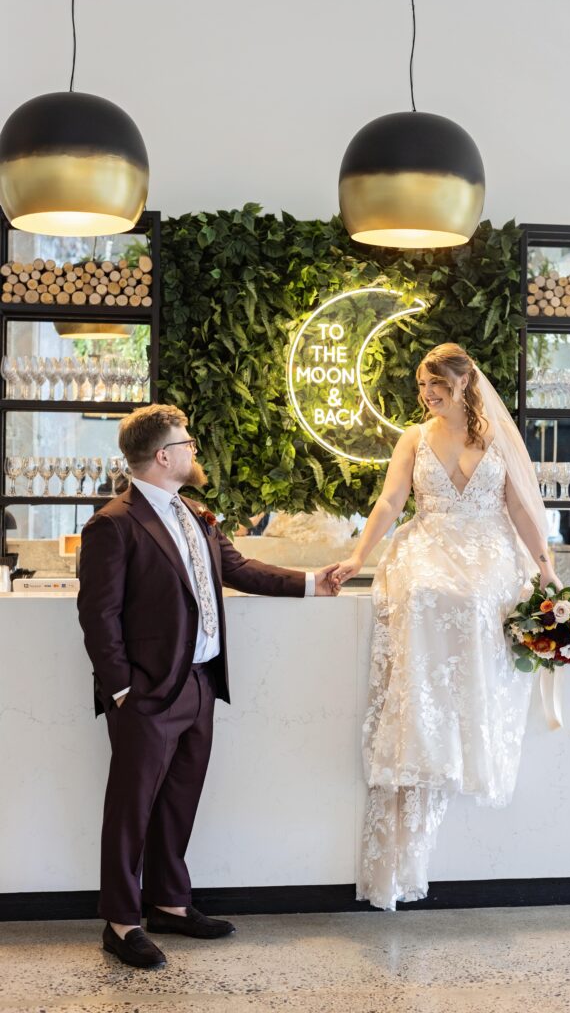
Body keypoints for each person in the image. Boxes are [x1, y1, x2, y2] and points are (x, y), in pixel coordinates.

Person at [77, 404, 340, 969]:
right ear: (164, 455)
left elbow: (241, 570)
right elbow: (98, 617)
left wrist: (316, 582)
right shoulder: (113, 523)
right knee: (130, 809)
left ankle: (170, 904)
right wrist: (122, 691)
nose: (194, 449)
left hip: (200, 685)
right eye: (187, 442)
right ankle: (121, 923)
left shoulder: (195, 514)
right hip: (147, 696)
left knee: (179, 802)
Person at [334, 343, 561, 911]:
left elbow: (523, 513)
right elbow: (390, 503)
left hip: (487, 549)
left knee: (482, 599)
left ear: (463, 383)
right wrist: (359, 557)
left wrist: (548, 571)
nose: (427, 394)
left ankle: (467, 737)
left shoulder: (497, 441)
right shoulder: (413, 438)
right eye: (421, 386)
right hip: (430, 542)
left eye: (435, 384)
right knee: (424, 593)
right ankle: (426, 734)